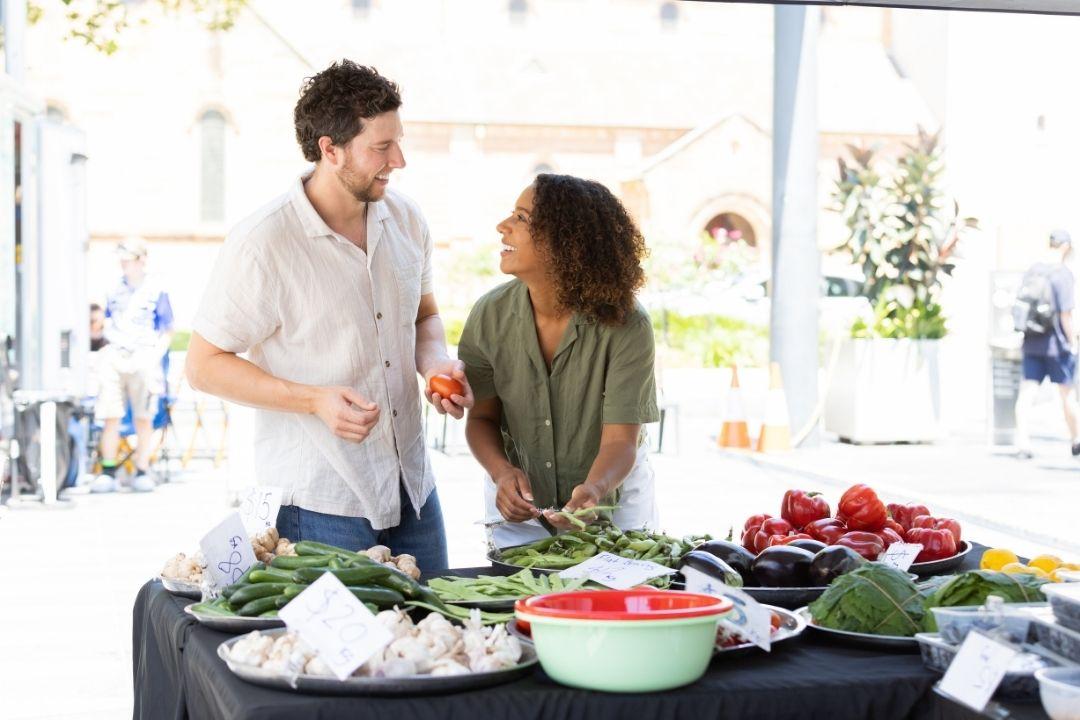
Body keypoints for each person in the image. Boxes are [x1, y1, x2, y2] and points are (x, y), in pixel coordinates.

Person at [185, 61, 469, 571]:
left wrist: (436, 364)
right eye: (380, 147)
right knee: (340, 653)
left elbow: (424, 316)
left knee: (434, 639)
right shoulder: (263, 242)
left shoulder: (408, 220)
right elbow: (203, 365)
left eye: (397, 142)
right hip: (319, 502)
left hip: (414, 490)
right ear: (329, 149)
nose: (398, 160)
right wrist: (313, 400)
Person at [458, 174, 660, 547]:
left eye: (521, 218)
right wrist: (502, 474)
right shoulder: (489, 315)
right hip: (519, 508)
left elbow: (621, 440)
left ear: (565, 242)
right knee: (519, 598)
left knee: (612, 600)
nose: (503, 227)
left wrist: (594, 489)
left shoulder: (627, 324)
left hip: (611, 504)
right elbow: (482, 418)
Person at [91, 238, 174, 493]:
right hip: (116, 353)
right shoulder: (112, 288)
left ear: (141, 260)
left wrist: (154, 356)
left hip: (144, 354)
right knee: (110, 413)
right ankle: (107, 469)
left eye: (129, 258)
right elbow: (102, 322)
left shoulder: (157, 288)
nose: (124, 263)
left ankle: (142, 468)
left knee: (143, 416)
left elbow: (167, 328)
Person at [1014, 229, 1079, 459]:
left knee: (1026, 394)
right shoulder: (1063, 274)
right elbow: (1066, 315)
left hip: (1031, 342)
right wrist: (1073, 343)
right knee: (1067, 395)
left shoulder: (1033, 270)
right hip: (1057, 345)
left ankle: (1023, 444)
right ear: (1064, 247)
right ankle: (1076, 440)